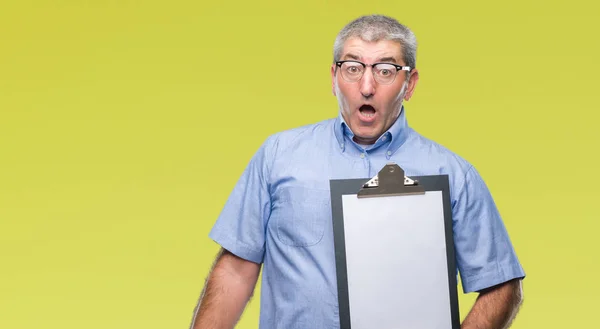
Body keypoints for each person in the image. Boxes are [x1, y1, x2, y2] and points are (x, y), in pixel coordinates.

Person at [190, 14, 525, 329]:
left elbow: (501, 285)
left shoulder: (454, 175)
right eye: (352, 68)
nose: (366, 86)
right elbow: (235, 271)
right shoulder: (279, 156)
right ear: (334, 78)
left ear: (409, 83)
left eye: (385, 70)